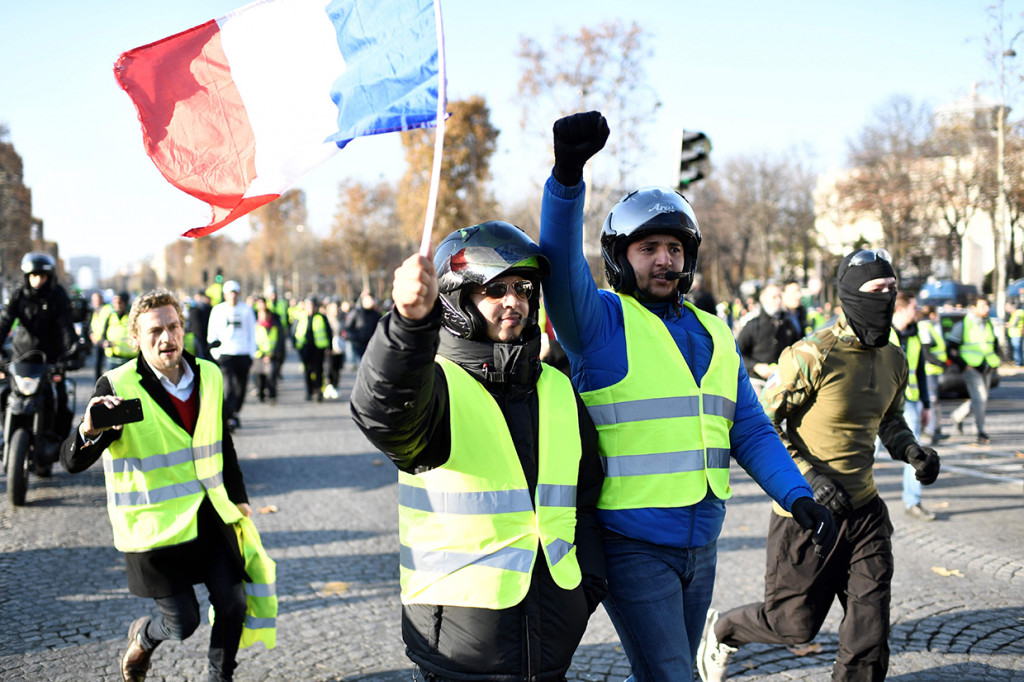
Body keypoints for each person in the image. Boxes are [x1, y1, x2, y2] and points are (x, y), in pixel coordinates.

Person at [540, 111, 836, 681]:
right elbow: (558, 267)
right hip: (632, 542)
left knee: (659, 673)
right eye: (647, 247)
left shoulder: (715, 331)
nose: (663, 259)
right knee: (675, 675)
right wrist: (566, 177)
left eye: (674, 247)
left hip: (702, 542)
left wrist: (797, 496)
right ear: (621, 257)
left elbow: (747, 430)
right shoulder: (600, 323)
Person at [350, 221, 608, 681]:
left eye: (523, 288)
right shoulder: (437, 385)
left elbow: (585, 498)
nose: (514, 301)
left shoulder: (557, 389)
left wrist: (584, 589)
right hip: (456, 651)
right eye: (494, 289)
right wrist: (408, 325)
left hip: (552, 644)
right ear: (458, 302)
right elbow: (381, 411)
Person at [700, 248, 941, 682]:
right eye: (876, 290)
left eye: (893, 289)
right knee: (793, 625)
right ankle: (722, 631)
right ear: (850, 294)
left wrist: (911, 452)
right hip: (806, 516)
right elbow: (757, 425)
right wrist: (808, 476)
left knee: (869, 630)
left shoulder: (894, 358)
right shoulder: (811, 355)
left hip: (865, 513)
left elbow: (889, 419)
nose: (887, 298)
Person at [59, 289, 275, 682]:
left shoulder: (209, 374)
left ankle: (219, 677)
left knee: (232, 603)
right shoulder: (117, 385)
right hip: (153, 529)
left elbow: (222, 442)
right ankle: (143, 636)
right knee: (183, 623)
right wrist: (89, 430)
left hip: (210, 514)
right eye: (155, 330)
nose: (167, 338)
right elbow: (73, 462)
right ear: (136, 339)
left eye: (173, 326)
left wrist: (239, 497)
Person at [0, 252, 80, 474]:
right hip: (21, 357)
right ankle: (4, 434)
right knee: (5, 394)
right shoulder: (17, 296)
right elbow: (4, 322)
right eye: (33, 275)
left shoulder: (59, 296)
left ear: (49, 276)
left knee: (61, 397)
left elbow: (66, 328)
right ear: (27, 276)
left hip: (51, 359)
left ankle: (57, 441)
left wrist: (71, 352)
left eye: (42, 275)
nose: (38, 280)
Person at [885, 292, 935, 521]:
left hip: (910, 401)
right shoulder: (883, 333)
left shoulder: (915, 335)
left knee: (913, 450)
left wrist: (926, 404)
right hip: (883, 403)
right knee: (866, 449)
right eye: (913, 307)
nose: (917, 311)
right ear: (901, 309)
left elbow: (921, 372)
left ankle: (913, 500)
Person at [947, 294, 1001, 445]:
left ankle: (957, 416)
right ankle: (980, 431)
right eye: (983, 306)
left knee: (979, 400)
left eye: (987, 306)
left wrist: (995, 362)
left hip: (987, 367)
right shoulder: (962, 325)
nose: (987, 309)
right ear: (973, 308)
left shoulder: (989, 323)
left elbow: (993, 345)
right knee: (981, 398)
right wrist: (964, 365)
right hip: (971, 368)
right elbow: (951, 349)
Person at [207, 280, 256, 431]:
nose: (233, 296)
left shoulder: (247, 310)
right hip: (225, 353)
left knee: (241, 387)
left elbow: (252, 332)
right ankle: (229, 417)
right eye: (230, 293)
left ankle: (235, 413)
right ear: (225, 295)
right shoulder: (218, 310)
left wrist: (252, 353)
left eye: (235, 293)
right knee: (227, 387)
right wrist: (214, 351)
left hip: (242, 352)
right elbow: (212, 331)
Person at [736, 282, 801, 395]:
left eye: (779, 296)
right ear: (763, 298)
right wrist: (755, 366)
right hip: (756, 382)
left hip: (782, 382)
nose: (778, 300)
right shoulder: (752, 326)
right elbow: (736, 353)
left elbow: (797, 351)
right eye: (774, 297)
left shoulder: (788, 326)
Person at [917, 304, 949, 444]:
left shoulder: (931, 326)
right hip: (929, 370)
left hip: (933, 370)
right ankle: (930, 431)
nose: (938, 317)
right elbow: (926, 353)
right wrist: (940, 363)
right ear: (931, 315)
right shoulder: (925, 327)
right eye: (937, 314)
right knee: (931, 401)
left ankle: (936, 430)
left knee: (934, 401)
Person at [294, 295, 330, 401]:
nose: (310, 308)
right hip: (305, 348)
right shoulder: (300, 317)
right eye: (308, 305)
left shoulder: (321, 317)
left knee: (319, 370)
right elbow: (294, 332)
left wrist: (329, 347)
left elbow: (328, 332)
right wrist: (297, 346)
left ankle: (318, 391)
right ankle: (309, 391)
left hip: (318, 348)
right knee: (307, 370)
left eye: (312, 305)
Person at [344, 292, 381, 369]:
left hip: (371, 345)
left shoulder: (376, 314)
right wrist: (355, 337)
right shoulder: (356, 312)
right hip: (358, 345)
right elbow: (348, 327)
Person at [252, 299, 279, 403]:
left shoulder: (274, 327)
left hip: (271, 356)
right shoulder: (256, 327)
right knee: (259, 377)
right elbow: (253, 342)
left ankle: (272, 395)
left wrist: (272, 354)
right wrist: (261, 354)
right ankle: (261, 394)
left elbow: (278, 341)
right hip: (259, 356)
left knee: (271, 376)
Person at [103, 292, 138, 370]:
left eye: (120, 303)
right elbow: (104, 335)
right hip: (113, 358)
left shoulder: (133, 318)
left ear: (125, 303)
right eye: (115, 303)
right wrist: (105, 342)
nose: (117, 305)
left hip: (130, 358)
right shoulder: (110, 317)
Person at [323, 298, 346, 400]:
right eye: (333, 307)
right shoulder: (326, 318)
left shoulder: (342, 318)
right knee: (329, 367)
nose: (335, 310)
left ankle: (335, 386)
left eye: (336, 307)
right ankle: (329, 385)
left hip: (339, 346)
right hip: (329, 346)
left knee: (337, 367)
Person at [89, 291, 113, 382]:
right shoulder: (95, 310)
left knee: (108, 365)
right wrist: (91, 335)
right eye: (94, 300)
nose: (95, 301)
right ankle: (97, 384)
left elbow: (108, 324)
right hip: (97, 341)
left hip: (105, 341)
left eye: (97, 299)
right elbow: (92, 325)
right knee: (97, 365)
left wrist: (105, 339)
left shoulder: (107, 309)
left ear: (102, 299)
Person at [1005, 297, 1023, 367]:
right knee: (1018, 349)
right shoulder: (1017, 313)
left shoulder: (1019, 313)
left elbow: (1015, 323)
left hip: (1016, 333)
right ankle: (1019, 361)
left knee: (1017, 349)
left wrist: (1009, 325)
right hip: (1016, 333)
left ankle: (1018, 362)